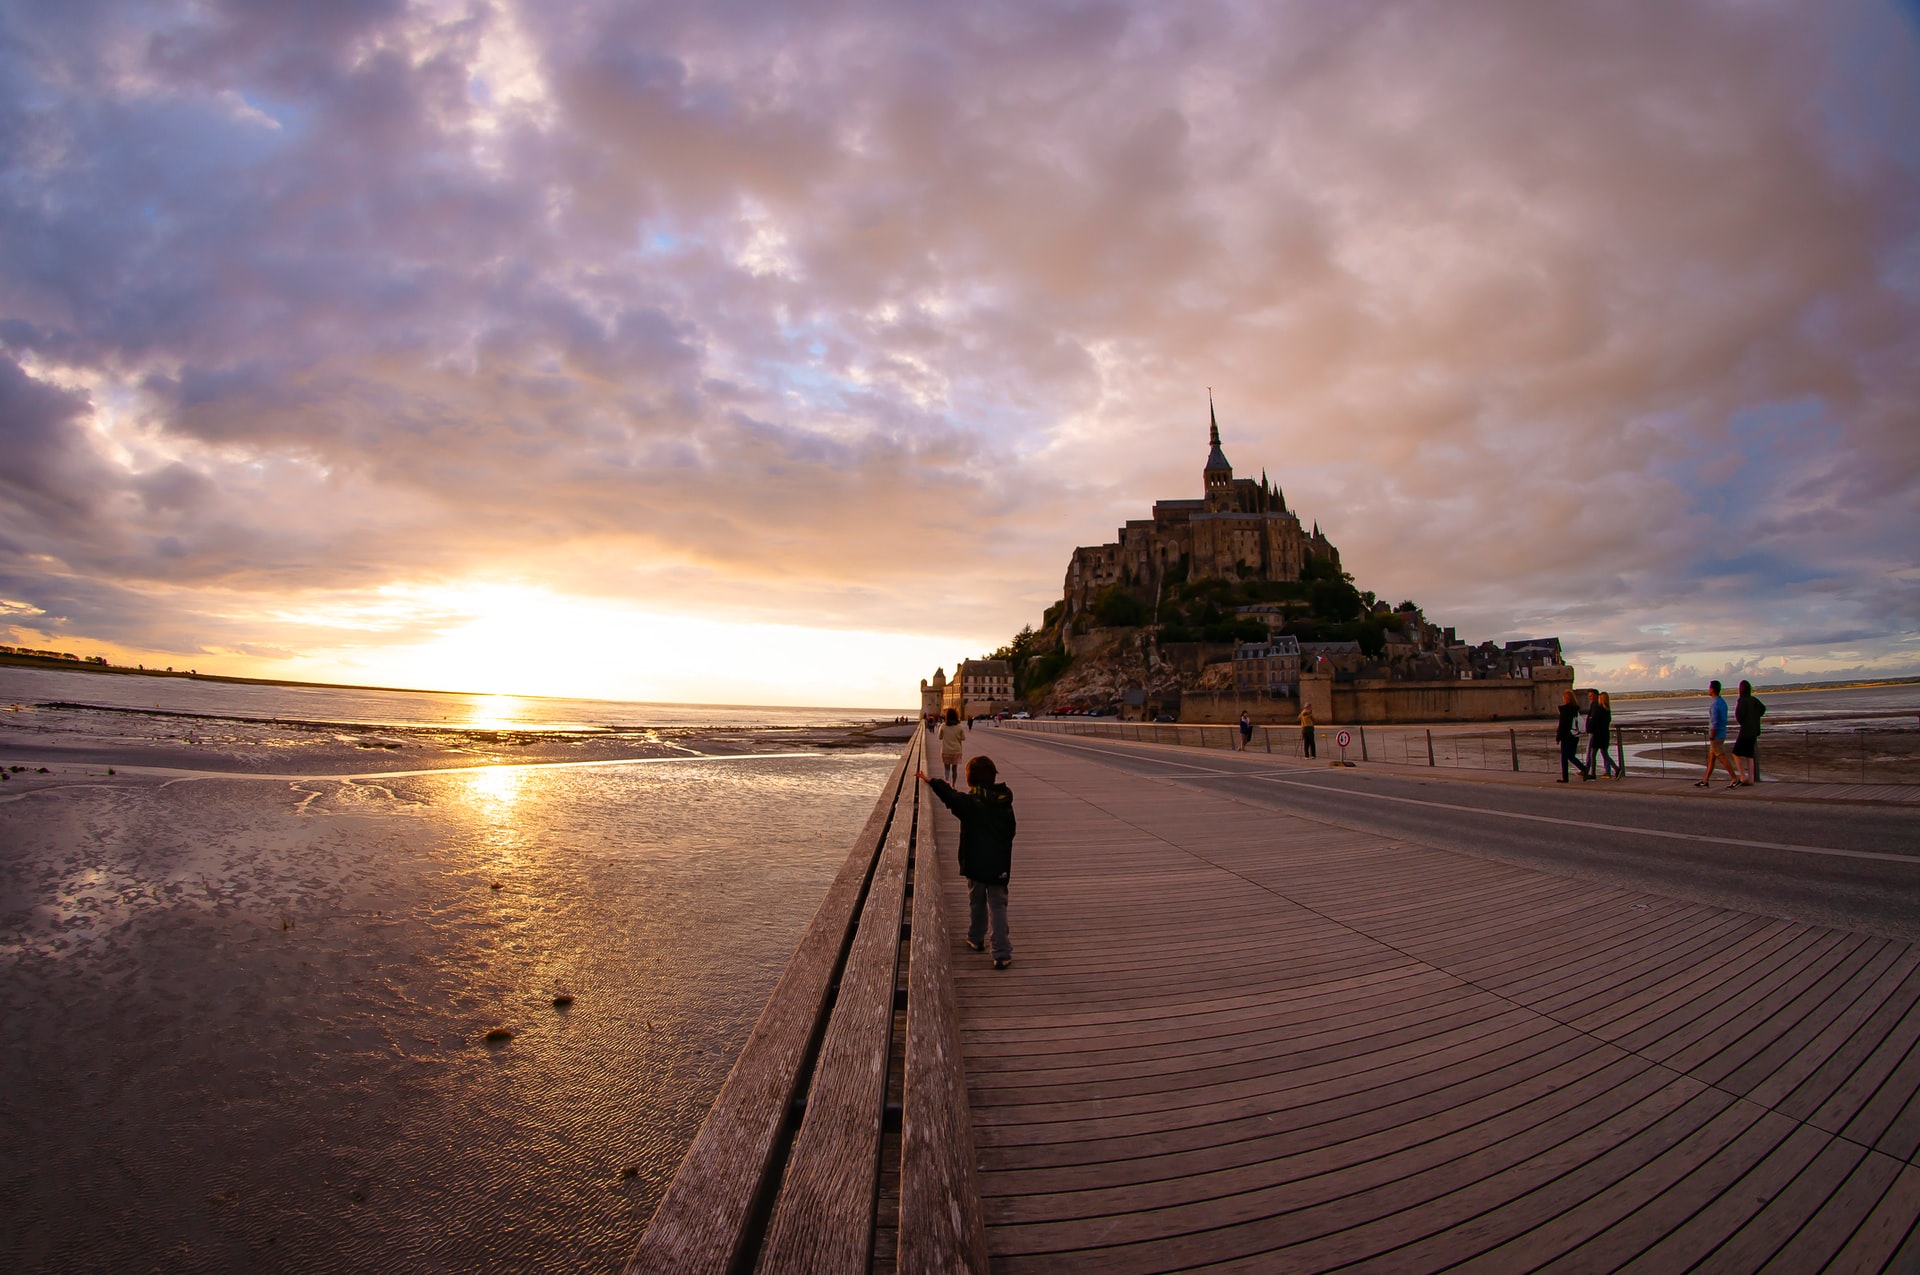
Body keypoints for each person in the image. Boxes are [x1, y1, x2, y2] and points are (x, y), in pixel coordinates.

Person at [918, 755, 1016, 968]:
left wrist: (931, 781)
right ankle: (1001, 953)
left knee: (976, 902)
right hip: (999, 865)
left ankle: (976, 938)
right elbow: (1011, 832)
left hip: (975, 863)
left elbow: (952, 797)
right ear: (993, 778)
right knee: (998, 906)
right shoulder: (1004, 802)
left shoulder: (971, 803)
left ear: (970, 782)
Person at [1696, 679, 1743, 788]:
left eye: (1709, 687)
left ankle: (1735, 778)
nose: (1709, 689)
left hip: (1716, 735)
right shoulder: (1722, 702)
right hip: (1721, 733)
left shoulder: (1715, 704)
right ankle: (1705, 780)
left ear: (1712, 689)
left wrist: (1712, 735)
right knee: (1712, 758)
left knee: (1721, 757)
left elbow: (1715, 721)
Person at [1733, 679, 1766, 786]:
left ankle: (1743, 776)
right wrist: (1755, 717)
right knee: (1749, 755)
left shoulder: (1742, 700)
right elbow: (1763, 709)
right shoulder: (1753, 700)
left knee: (1736, 753)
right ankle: (1751, 777)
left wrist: (1745, 721)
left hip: (1746, 731)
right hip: (1754, 730)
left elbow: (1739, 715)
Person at [1585, 690, 1618, 780]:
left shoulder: (1598, 709)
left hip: (1597, 734)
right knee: (1604, 754)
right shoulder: (1607, 710)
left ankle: (1593, 774)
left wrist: (1589, 728)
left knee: (1593, 754)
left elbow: (1594, 720)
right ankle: (1615, 769)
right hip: (1604, 734)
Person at [1556, 689, 1589, 782]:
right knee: (1571, 755)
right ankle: (1583, 768)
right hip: (1575, 735)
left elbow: (1562, 725)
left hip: (1567, 736)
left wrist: (1558, 737)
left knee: (1564, 757)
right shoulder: (1575, 709)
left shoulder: (1564, 710)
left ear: (1566, 698)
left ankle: (1565, 777)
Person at [938, 707, 966, 784]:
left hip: (946, 750)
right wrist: (957, 737)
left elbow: (939, 737)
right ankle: (953, 785)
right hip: (956, 751)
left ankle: (947, 782)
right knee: (954, 769)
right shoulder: (959, 726)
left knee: (946, 769)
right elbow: (963, 738)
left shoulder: (943, 726)